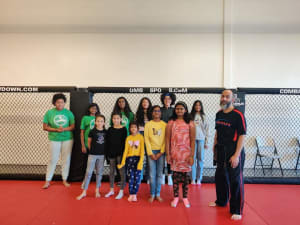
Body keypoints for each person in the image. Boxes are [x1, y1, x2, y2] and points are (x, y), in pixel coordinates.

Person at [209, 89, 246, 221]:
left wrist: (236, 155)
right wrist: (214, 148)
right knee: (220, 176)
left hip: (234, 150)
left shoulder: (238, 115)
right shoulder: (219, 114)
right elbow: (217, 133)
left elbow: (242, 135)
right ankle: (221, 201)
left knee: (235, 180)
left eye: (227, 96)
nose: (224, 98)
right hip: (221, 150)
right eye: (222, 96)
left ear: (233, 99)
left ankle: (237, 209)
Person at [165, 101, 195, 208]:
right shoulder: (171, 122)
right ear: (175, 110)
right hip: (175, 154)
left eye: (181, 108)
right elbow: (167, 139)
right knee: (176, 177)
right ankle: (176, 197)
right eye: (177, 108)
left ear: (185, 110)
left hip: (186, 155)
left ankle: (185, 197)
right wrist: (168, 154)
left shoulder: (190, 122)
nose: (179, 110)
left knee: (186, 178)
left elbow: (192, 140)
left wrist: (191, 155)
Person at [42, 93, 75, 189]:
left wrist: (64, 129)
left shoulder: (68, 113)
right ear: (54, 103)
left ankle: (65, 179)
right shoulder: (49, 113)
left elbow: (73, 126)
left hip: (67, 139)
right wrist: (56, 130)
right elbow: (45, 127)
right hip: (54, 139)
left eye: (62, 102)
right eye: (58, 102)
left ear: (64, 103)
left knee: (66, 159)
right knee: (53, 159)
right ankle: (47, 180)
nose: (60, 104)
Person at [76, 115, 106, 200]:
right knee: (88, 172)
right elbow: (89, 143)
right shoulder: (92, 131)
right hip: (93, 154)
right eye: (98, 121)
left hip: (102, 155)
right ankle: (84, 191)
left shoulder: (105, 132)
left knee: (99, 173)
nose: (99, 122)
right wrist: (92, 151)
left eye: (101, 121)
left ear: (104, 122)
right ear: (95, 122)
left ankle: (97, 190)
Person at [144, 105, 166, 203]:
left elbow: (166, 139)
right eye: (155, 111)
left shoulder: (164, 125)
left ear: (161, 113)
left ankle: (158, 194)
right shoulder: (148, 125)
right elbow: (146, 139)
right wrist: (150, 153)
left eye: (158, 111)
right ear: (152, 113)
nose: (156, 112)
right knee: (152, 175)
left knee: (159, 174)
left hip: (161, 152)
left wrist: (161, 152)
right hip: (151, 152)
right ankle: (152, 194)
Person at [118, 122, 145, 202]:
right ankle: (131, 194)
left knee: (137, 178)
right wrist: (123, 162)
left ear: (137, 128)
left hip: (138, 159)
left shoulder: (140, 137)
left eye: (135, 127)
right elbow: (126, 151)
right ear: (129, 129)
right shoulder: (128, 138)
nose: (133, 129)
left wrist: (140, 162)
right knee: (131, 178)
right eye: (131, 127)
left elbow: (142, 150)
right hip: (129, 160)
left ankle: (135, 194)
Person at [105, 112, 127, 199]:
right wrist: (107, 155)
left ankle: (121, 191)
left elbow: (125, 143)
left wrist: (124, 155)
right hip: (111, 154)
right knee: (111, 172)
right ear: (112, 119)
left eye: (118, 118)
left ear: (121, 119)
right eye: (114, 118)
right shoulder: (110, 129)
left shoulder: (124, 129)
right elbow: (107, 142)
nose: (116, 120)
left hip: (120, 154)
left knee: (121, 172)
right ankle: (111, 189)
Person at [190, 100, 209, 185]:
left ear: (201, 107)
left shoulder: (204, 116)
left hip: (201, 139)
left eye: (199, 105)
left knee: (200, 159)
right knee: (193, 159)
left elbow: (207, 130)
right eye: (196, 105)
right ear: (194, 106)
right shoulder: (190, 116)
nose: (198, 107)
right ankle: (193, 178)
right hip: (192, 140)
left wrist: (206, 142)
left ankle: (199, 179)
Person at [160, 92, 176, 185]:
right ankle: (162, 175)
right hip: (161, 136)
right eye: (165, 98)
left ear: (172, 100)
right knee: (162, 155)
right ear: (163, 99)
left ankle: (170, 175)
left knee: (170, 156)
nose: (167, 100)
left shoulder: (174, 110)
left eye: (169, 99)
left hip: (171, 136)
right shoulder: (160, 110)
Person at [136, 97, 152, 183]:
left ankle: (149, 177)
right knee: (141, 155)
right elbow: (136, 126)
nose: (145, 103)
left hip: (149, 135)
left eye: (147, 102)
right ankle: (140, 176)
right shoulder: (138, 113)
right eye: (143, 102)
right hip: (140, 135)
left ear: (149, 103)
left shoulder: (152, 113)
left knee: (149, 155)